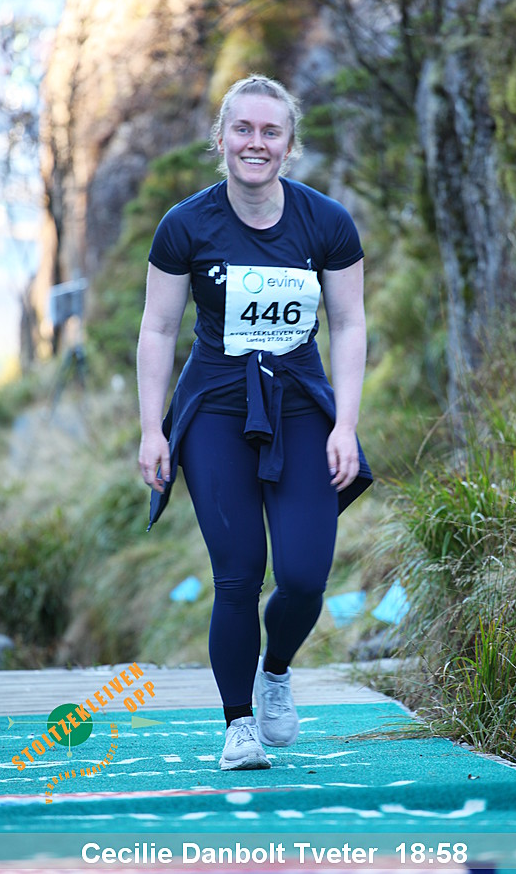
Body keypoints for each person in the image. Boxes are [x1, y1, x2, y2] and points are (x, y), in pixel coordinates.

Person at [136, 74, 372, 771]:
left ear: (290, 145)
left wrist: (345, 424)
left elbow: (350, 323)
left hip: (300, 407)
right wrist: (152, 429)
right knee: (238, 576)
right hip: (215, 408)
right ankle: (238, 724)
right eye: (243, 129)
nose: (256, 143)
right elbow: (157, 328)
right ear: (221, 138)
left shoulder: (326, 222)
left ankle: (276, 671)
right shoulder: (186, 225)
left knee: (303, 577)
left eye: (271, 131)